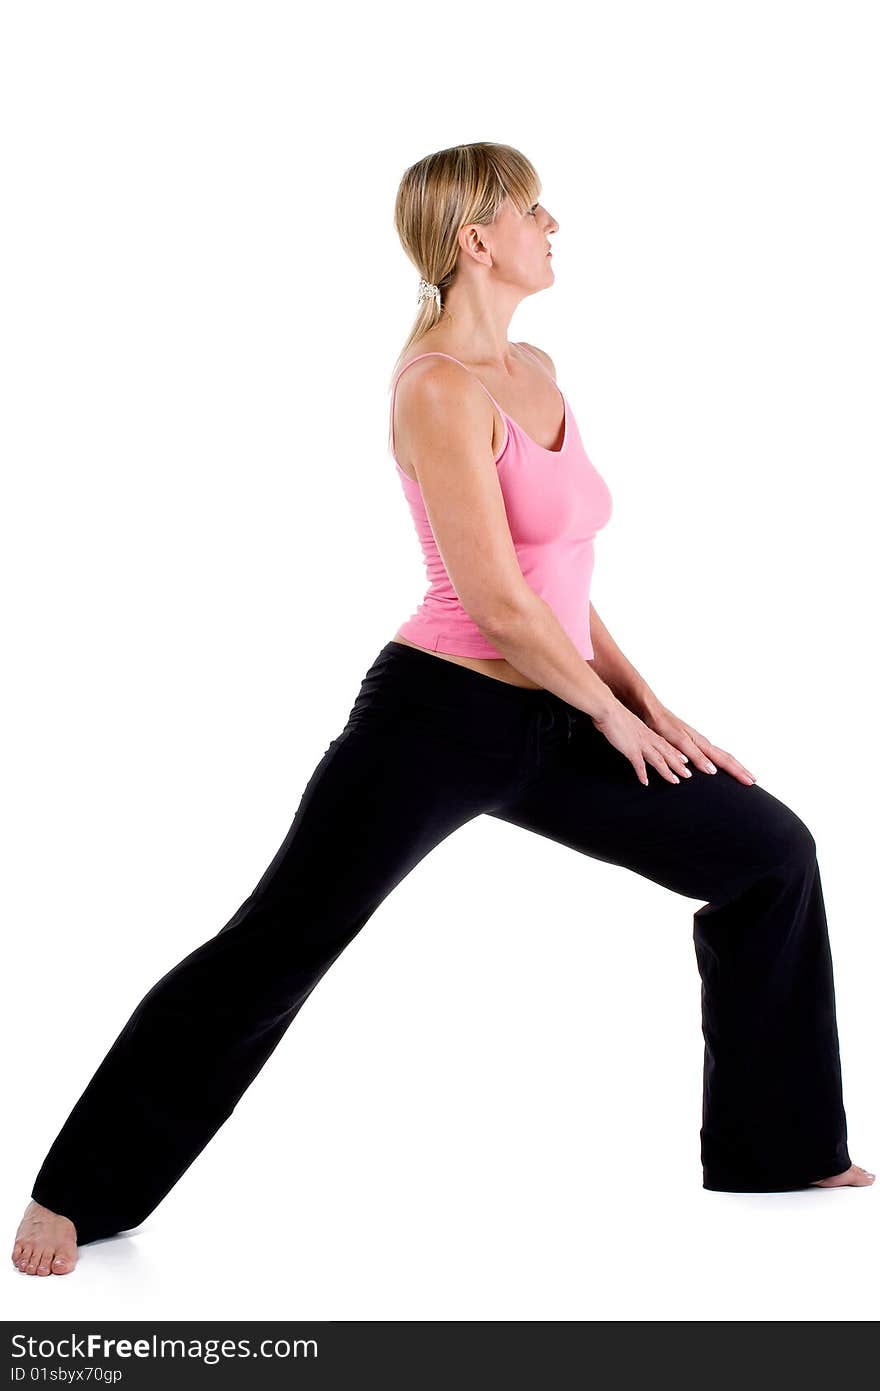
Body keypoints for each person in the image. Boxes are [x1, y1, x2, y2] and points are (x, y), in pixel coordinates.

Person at [12, 141, 873, 1278]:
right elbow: (499, 605)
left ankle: (778, 1148)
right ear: (477, 240)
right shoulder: (434, 388)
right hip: (439, 717)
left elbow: (565, 578)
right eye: (532, 210)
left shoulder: (539, 367)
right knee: (284, 936)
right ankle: (75, 1190)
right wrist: (612, 723)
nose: (553, 224)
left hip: (562, 706)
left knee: (768, 850)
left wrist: (655, 705)